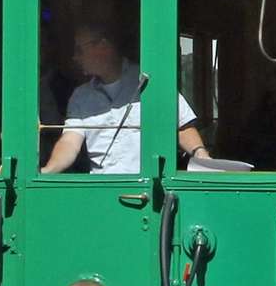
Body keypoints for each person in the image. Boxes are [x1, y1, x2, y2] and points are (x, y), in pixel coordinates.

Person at [41, 23, 209, 174]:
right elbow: (70, 142)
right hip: (101, 192)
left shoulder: (149, 83)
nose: (75, 58)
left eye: (79, 50)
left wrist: (202, 158)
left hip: (146, 191)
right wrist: (48, 170)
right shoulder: (81, 96)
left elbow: (181, 126)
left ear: (103, 46)